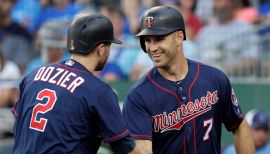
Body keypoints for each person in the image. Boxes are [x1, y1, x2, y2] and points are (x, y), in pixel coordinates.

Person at [123, 6, 255, 154]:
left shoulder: (214, 78)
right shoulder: (138, 96)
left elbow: (238, 126)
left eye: (159, 39)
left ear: (179, 37)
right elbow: (142, 151)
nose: (152, 48)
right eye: (148, 40)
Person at [12, 13, 135, 153]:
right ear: (101, 49)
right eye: (108, 46)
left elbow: (19, 127)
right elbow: (126, 149)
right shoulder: (98, 91)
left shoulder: (33, 75)